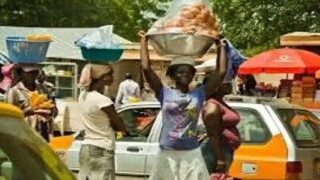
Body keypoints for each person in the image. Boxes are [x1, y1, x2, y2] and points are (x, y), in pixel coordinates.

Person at [139, 31, 228, 180]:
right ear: (172, 75)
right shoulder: (164, 93)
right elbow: (147, 69)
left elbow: (221, 72)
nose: (184, 75)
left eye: (187, 72)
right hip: (167, 152)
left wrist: (220, 46)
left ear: (193, 75)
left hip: (191, 152)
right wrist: (143, 41)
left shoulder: (199, 94)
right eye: (180, 72)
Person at [77, 63, 127, 180]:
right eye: (110, 75)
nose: (113, 78)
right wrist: (122, 129)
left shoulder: (83, 95)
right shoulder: (103, 101)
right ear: (103, 77)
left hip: (87, 147)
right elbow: (118, 123)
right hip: (101, 148)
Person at [201, 75, 241, 174]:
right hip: (215, 151)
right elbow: (213, 135)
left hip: (224, 148)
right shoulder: (213, 106)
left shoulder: (220, 102)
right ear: (216, 86)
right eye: (226, 82)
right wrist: (220, 158)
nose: (230, 84)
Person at [6, 64, 56, 141]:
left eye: (35, 72)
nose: (32, 75)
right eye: (28, 73)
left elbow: (54, 112)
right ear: (21, 74)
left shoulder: (43, 89)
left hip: (43, 132)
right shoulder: (14, 91)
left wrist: (51, 110)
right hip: (23, 134)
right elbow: (9, 117)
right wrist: (29, 111)